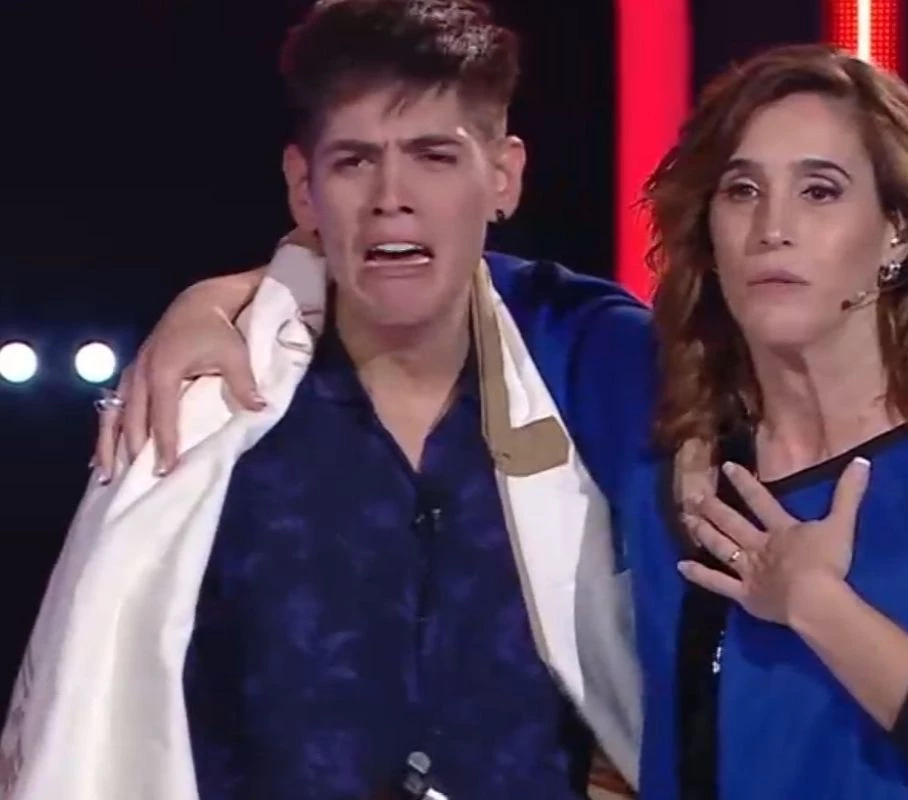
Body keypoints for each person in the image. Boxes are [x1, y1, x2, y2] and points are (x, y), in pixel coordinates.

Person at [89, 42, 908, 800]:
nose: (773, 228)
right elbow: (429, 268)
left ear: (895, 236)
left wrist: (818, 605)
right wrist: (228, 297)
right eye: (741, 191)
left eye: (821, 191)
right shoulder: (655, 419)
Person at [43, 1, 651, 798]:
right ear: (303, 188)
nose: (391, 196)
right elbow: (92, 721)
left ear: (503, 177)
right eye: (354, 162)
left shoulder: (588, 364)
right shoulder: (206, 415)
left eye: (434, 156)